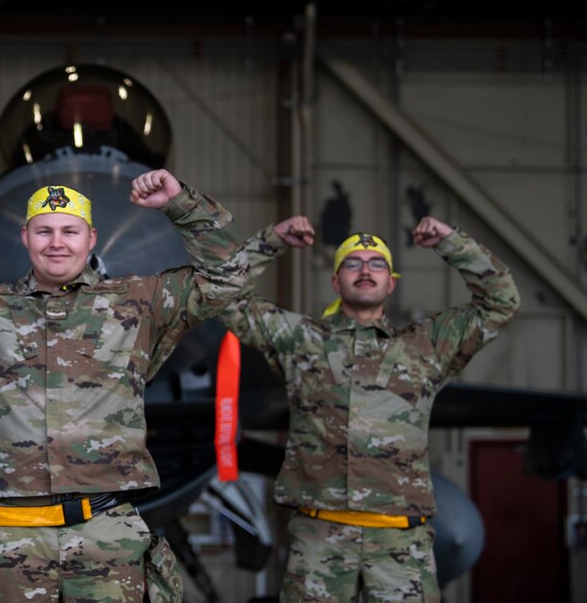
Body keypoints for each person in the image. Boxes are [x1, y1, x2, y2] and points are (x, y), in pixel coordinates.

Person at [0, 168, 249, 602]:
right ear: (25, 237)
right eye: (44, 230)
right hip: (12, 540)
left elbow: (229, 277)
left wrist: (181, 203)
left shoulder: (138, 302)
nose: (56, 242)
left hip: (105, 537)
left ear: (91, 238)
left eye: (69, 231)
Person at [222, 215, 520, 603]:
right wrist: (271, 239)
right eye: (352, 262)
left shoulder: (426, 346)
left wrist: (452, 242)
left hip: (400, 544)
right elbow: (225, 299)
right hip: (320, 541)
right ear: (336, 282)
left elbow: (501, 302)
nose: (365, 269)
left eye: (377, 263)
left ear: (391, 283)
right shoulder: (301, 339)